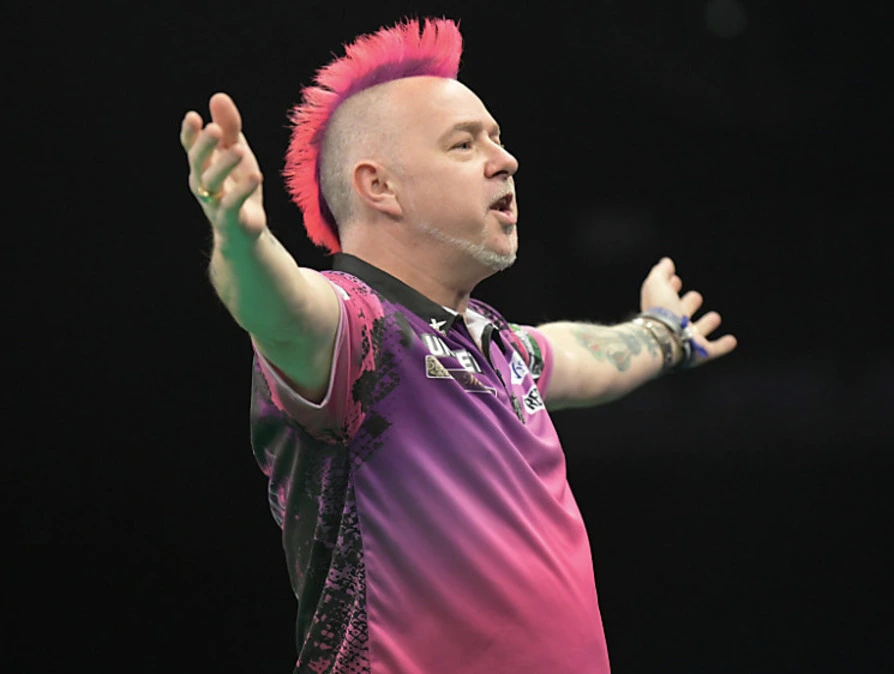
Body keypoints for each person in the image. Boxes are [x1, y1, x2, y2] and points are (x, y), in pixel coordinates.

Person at [180, 17, 736, 674]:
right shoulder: (360, 332)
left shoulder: (496, 347)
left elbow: (581, 355)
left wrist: (661, 333)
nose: (506, 161)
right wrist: (241, 241)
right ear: (379, 186)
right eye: (464, 144)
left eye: (497, 138)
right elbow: (276, 307)